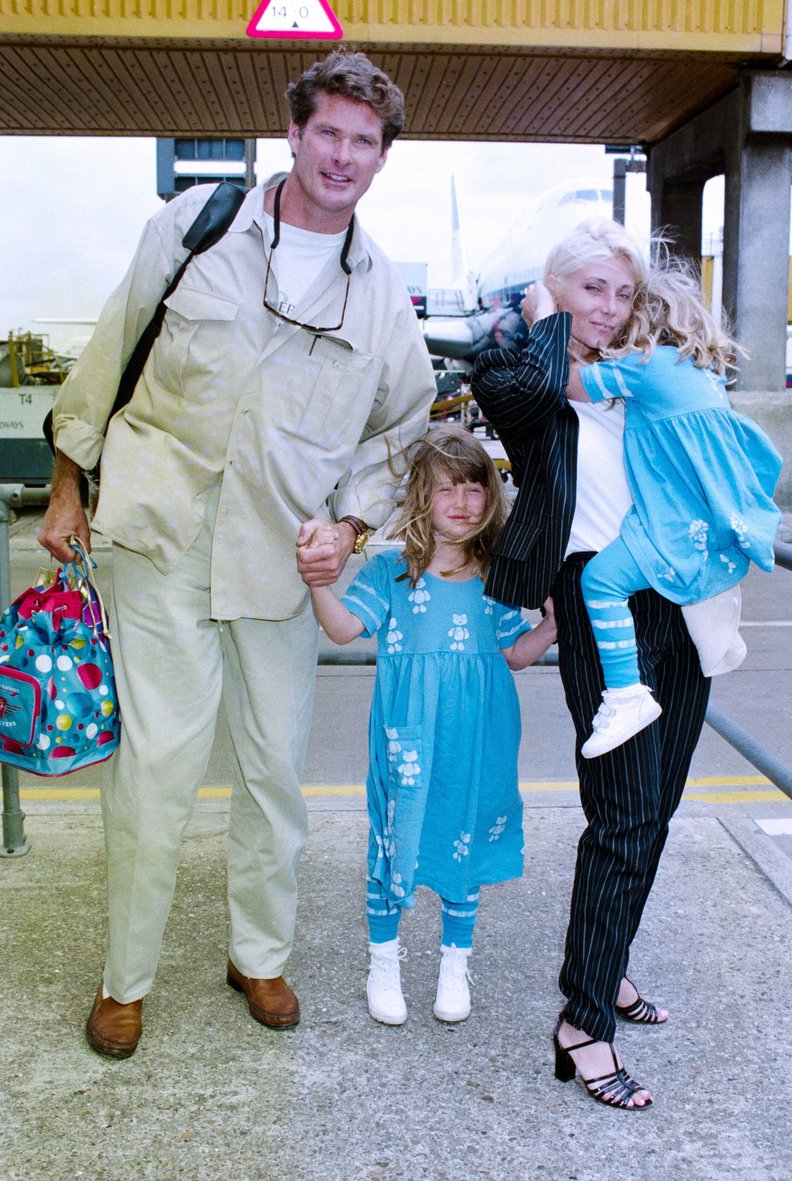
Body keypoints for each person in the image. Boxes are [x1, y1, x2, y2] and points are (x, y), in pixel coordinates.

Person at [37, 50, 436, 1059]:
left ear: (383, 158)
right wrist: (69, 483)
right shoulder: (194, 226)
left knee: (275, 774)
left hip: (280, 561)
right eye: (329, 133)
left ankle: (258, 954)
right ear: (295, 133)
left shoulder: (384, 294)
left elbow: (403, 433)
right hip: (160, 533)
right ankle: (124, 978)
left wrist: (347, 527)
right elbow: (110, 347)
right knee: (156, 771)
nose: (343, 155)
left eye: (364, 141)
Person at [471, 219, 726, 1110]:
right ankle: (582, 1023)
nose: (609, 310)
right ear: (554, 289)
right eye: (591, 290)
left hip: (678, 597)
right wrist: (544, 311)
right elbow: (525, 391)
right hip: (592, 599)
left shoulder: (639, 370)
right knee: (619, 814)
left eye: (622, 293)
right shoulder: (518, 366)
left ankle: (603, 964)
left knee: (654, 811)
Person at [307, 425, 557, 1026]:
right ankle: (384, 961)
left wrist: (554, 622)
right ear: (421, 498)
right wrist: (319, 585)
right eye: (447, 489)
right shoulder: (392, 576)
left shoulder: (500, 577)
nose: (463, 502)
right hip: (408, 735)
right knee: (393, 833)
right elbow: (343, 630)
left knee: (464, 832)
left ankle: (454, 961)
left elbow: (515, 654)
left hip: (479, 734)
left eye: (475, 487)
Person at [555, 262, 783, 758]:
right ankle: (719, 637)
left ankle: (626, 695)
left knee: (600, 581)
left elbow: (569, 382)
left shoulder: (645, 366)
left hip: (674, 521)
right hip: (710, 516)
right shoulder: (701, 372)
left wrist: (543, 318)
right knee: (691, 577)